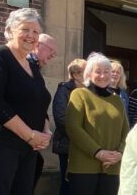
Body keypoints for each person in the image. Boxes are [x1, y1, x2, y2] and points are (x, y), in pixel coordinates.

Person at [0, 8, 52, 195]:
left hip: (28, 148)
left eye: (35, 32)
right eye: (25, 29)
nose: (31, 36)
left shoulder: (32, 65)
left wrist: (45, 131)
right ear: (10, 30)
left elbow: (39, 102)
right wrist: (30, 135)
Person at [65, 52, 129, 195]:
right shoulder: (79, 94)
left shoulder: (117, 100)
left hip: (112, 167)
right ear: (88, 74)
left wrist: (120, 153)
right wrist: (97, 152)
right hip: (84, 167)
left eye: (107, 71)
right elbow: (73, 127)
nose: (103, 75)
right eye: (98, 71)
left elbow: (126, 131)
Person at [51, 58, 86, 195]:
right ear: (76, 75)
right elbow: (61, 119)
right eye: (86, 71)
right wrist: (81, 137)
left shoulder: (89, 91)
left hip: (85, 146)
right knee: (68, 183)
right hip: (68, 145)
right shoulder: (64, 90)